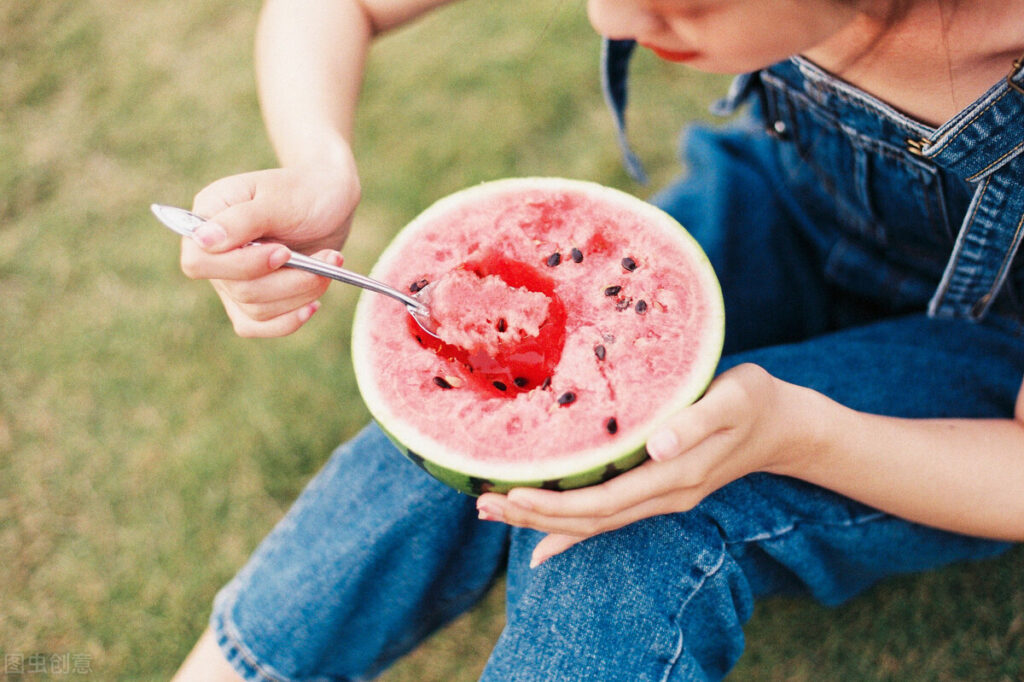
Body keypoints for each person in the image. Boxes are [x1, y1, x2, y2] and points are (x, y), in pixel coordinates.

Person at [172, 0, 1024, 680]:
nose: (608, 20)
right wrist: (322, 168)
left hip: (995, 353)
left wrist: (802, 439)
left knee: (638, 531)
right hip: (793, 211)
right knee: (444, 430)